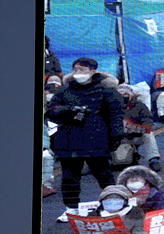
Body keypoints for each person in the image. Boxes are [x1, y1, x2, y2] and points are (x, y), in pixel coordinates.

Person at [46, 58, 124, 216]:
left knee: (104, 176)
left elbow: (116, 115)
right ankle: (71, 209)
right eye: (75, 69)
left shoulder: (106, 90)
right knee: (69, 178)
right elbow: (51, 111)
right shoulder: (65, 90)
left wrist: (115, 136)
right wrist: (68, 110)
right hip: (69, 141)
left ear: (93, 71)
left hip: (97, 140)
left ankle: (116, 205)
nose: (77, 73)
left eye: (82, 70)